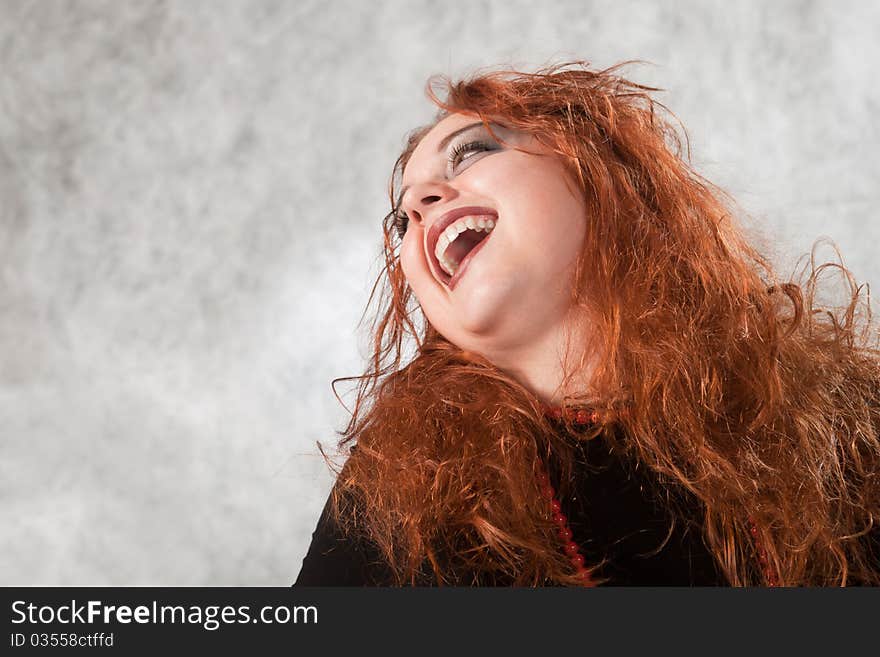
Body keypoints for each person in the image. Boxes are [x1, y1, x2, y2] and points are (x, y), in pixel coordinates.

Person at [294, 61, 880, 587]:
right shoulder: (399, 490)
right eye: (400, 222)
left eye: (471, 151)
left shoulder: (842, 417)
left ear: (606, 174)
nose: (418, 201)